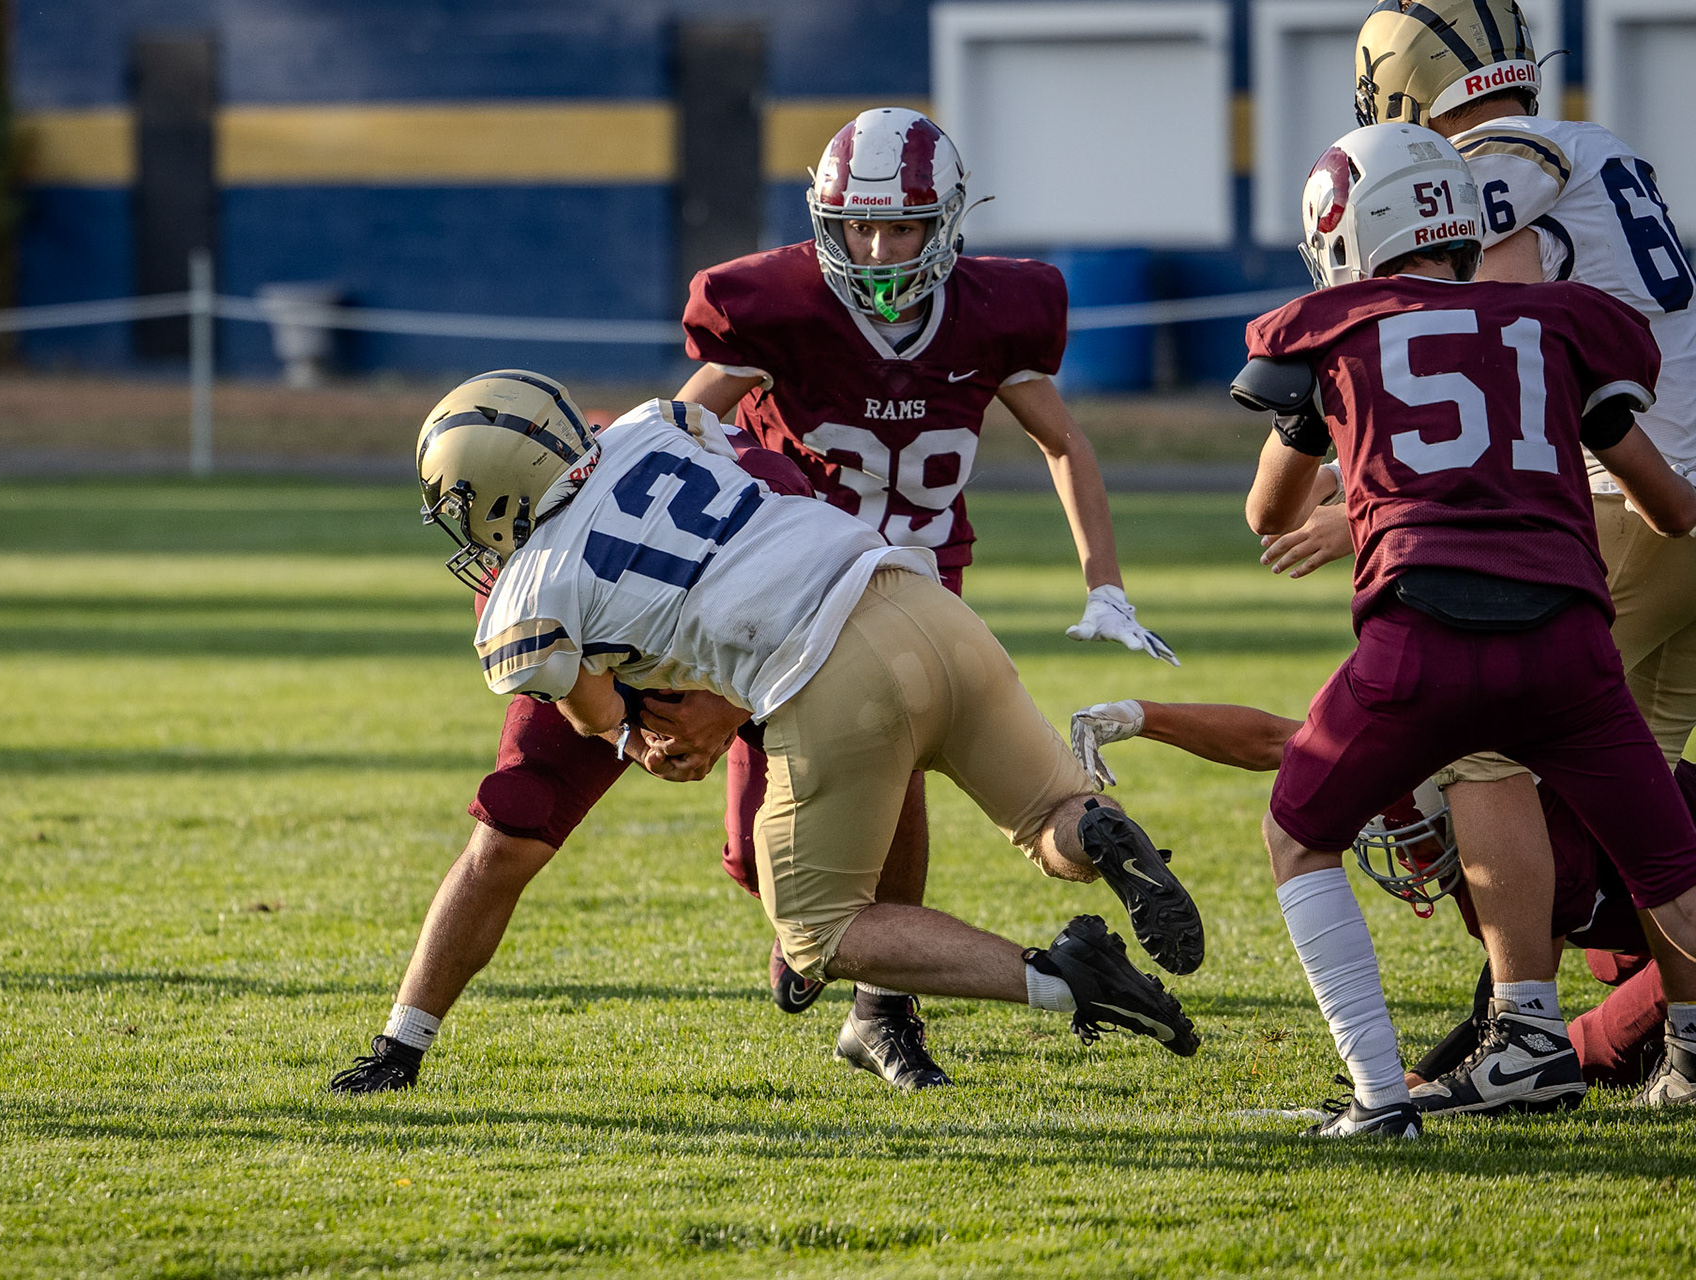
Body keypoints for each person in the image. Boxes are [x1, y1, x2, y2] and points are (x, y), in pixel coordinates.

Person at [328, 109, 1179, 1097]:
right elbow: (761, 478)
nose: (875, 248)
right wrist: (651, 724)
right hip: (798, 607)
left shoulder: (530, 585)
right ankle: (407, 1038)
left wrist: (717, 706)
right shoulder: (656, 425)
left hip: (762, 637)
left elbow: (744, 576)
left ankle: (877, 1005)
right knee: (706, 848)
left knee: (805, 854)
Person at [661, 106, 1177, 1088]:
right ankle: (850, 942)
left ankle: (883, 1005)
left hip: (915, 590)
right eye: (860, 225)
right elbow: (680, 432)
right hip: (782, 593)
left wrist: (1105, 579)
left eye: (902, 225)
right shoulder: (772, 304)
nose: (879, 246)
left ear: (946, 221)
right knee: (752, 855)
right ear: (827, 219)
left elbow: (1062, 439)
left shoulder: (994, 309)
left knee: (896, 782)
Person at [1234, 120, 1696, 1136]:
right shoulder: (1560, 323)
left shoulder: (1335, 332)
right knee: (1672, 864)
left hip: (1420, 645)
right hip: (1571, 645)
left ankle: (1378, 1096)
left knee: (1297, 833)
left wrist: (1315, 422)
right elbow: (1670, 508)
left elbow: (1267, 515)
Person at [1344, 0, 1696, 1112]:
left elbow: (1471, 338)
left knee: (1481, 741)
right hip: (1681, 501)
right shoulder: (1597, 147)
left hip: (1627, 503)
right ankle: (1677, 1038)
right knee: (1640, 793)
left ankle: (1528, 1035)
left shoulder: (1501, 168)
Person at [1069, 697, 1696, 1109]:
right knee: (1608, 963)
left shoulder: (1527, 822)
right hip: (1654, 924)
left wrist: (1413, 1084)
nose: (1410, 854)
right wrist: (1141, 715)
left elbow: (1507, 1022)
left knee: (1587, 1049)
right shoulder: (1479, 777)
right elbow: (1282, 741)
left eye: (1423, 835)